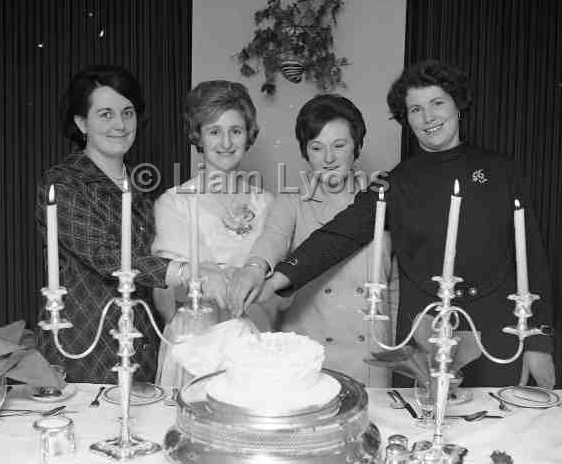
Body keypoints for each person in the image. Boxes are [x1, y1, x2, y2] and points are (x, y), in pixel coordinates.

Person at [230, 60, 555, 388]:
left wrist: (539, 341)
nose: (428, 118)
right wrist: (274, 278)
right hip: (421, 336)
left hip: (497, 334)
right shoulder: (395, 182)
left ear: (458, 104)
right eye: (415, 109)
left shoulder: (501, 171)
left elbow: (533, 261)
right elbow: (338, 235)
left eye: (437, 103)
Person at [229, 95, 394, 386]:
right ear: (305, 152)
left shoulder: (382, 201)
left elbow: (396, 286)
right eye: (316, 148)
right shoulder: (292, 202)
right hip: (307, 357)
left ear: (357, 146)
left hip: (370, 356)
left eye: (339, 146)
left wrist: (394, 347)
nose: (328, 158)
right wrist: (254, 268)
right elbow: (272, 239)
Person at [36, 65, 170, 384]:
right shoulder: (63, 183)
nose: (120, 125)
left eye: (128, 112)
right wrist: (181, 272)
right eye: (106, 114)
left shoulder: (144, 185)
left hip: (140, 344)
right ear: (82, 122)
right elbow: (105, 255)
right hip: (81, 345)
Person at [151, 80, 274, 386]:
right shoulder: (174, 202)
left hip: (252, 340)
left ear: (248, 136)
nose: (226, 142)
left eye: (235, 131)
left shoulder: (267, 203)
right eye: (214, 131)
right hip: (194, 342)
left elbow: (280, 291)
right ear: (199, 137)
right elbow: (164, 293)